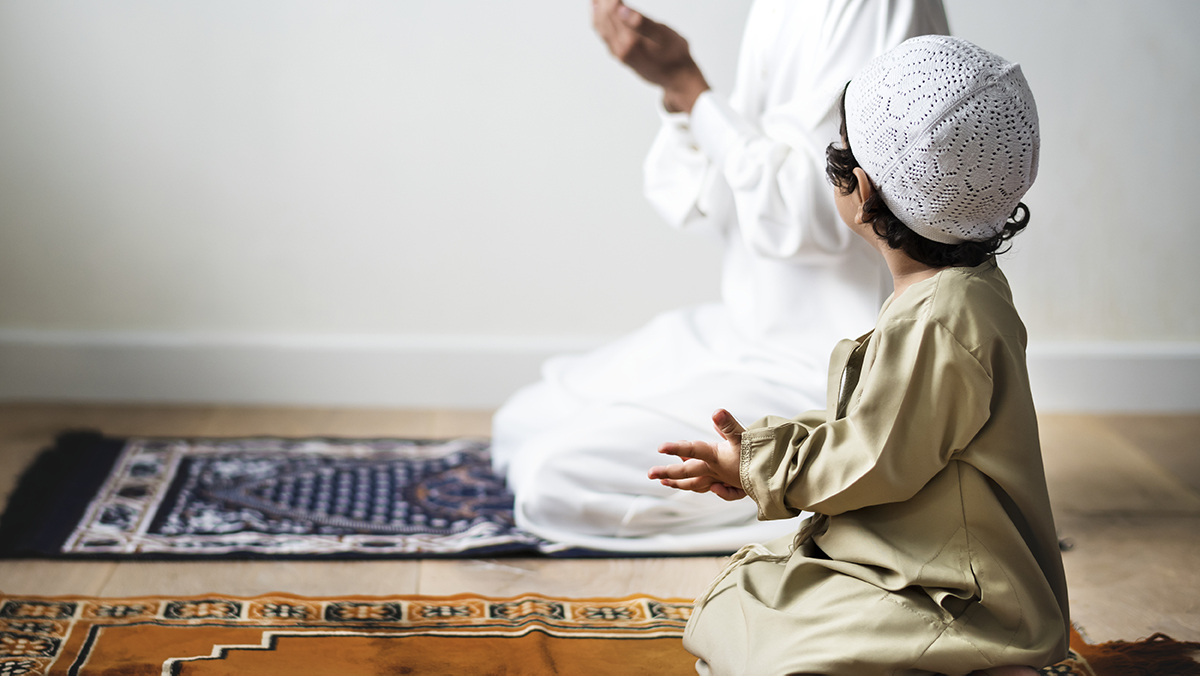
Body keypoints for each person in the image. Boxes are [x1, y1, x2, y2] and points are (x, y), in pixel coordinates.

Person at [649, 35, 1069, 675]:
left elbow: (875, 456)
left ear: (862, 189)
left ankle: (986, 657)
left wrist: (764, 469)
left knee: (757, 628)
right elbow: (882, 428)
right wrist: (760, 455)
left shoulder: (942, 317)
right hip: (916, 559)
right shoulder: (957, 292)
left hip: (959, 591)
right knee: (744, 599)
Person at [491, 0, 949, 553]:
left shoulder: (874, 7)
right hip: (744, 331)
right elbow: (723, 202)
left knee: (552, 478)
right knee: (520, 423)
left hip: (831, 369)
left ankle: (830, 491)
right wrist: (679, 96)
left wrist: (690, 88)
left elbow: (832, 213)